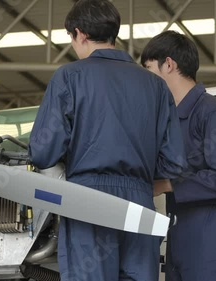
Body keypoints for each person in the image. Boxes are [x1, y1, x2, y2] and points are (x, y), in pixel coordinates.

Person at [28, 1, 187, 280]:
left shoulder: (69, 76)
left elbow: (42, 152)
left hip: (88, 202)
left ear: (79, 34)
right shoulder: (156, 85)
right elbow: (174, 163)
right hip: (139, 204)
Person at [141, 30, 216, 281]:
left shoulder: (213, 113)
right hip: (178, 232)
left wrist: (167, 184)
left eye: (148, 68)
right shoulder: (168, 118)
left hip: (210, 237)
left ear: (168, 64)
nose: (145, 78)